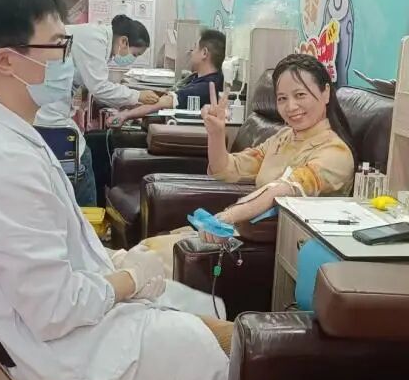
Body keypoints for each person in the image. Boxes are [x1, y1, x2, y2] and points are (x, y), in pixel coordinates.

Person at [0, 0, 230, 380]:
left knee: (211, 321)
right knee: (221, 350)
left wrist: (119, 264)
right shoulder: (1, 165)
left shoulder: (6, 133)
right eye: (58, 45)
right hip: (76, 355)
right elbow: (55, 308)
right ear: (6, 61)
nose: (67, 59)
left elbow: (57, 254)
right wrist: (129, 279)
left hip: (76, 328)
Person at [141, 54, 355, 263]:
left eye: (300, 95)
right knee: (146, 249)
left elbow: (282, 190)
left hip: (285, 252)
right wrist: (216, 134)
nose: (290, 107)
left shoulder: (335, 153)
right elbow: (227, 170)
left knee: (148, 260)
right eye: (282, 98)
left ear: (326, 93)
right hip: (241, 232)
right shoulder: (283, 138)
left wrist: (226, 217)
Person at [34, 14, 159, 206]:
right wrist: (137, 96)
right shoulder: (95, 39)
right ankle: (89, 216)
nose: (132, 60)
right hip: (48, 115)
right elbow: (99, 87)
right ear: (124, 41)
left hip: (51, 111)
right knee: (83, 159)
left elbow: (90, 83)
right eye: (135, 54)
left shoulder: (96, 39)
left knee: (86, 153)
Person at [107, 28, 226, 125]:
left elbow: (161, 103)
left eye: (195, 47)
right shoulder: (200, 78)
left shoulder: (205, 87)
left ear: (204, 53)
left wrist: (125, 115)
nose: (191, 51)